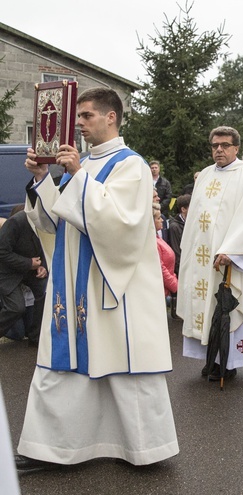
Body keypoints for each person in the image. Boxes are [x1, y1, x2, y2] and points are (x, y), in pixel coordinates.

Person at [17, 87, 178, 472]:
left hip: (113, 288)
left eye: (87, 116)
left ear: (111, 117)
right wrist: (42, 179)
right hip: (74, 281)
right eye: (79, 119)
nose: (80, 125)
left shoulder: (132, 165)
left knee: (123, 366)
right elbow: (54, 222)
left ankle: (143, 449)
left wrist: (75, 175)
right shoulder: (84, 164)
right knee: (63, 365)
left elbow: (122, 224)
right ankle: (52, 448)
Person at [178, 126, 243, 382]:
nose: (219, 149)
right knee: (206, 308)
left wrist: (233, 251)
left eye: (225, 145)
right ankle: (211, 358)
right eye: (214, 145)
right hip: (202, 260)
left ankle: (228, 363)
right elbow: (195, 219)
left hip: (230, 259)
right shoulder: (205, 176)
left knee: (227, 309)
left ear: (236, 148)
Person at [0, 208, 47, 346]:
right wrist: (29, 263)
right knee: (16, 307)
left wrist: (43, 265)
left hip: (30, 269)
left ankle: (36, 337)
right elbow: (2, 252)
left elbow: (48, 247)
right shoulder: (16, 221)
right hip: (7, 271)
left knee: (45, 291)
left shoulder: (47, 221)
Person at [153, 204, 178, 297]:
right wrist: (175, 285)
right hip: (159, 291)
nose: (162, 220)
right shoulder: (152, 241)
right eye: (159, 218)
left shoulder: (156, 237)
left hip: (165, 289)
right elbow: (160, 268)